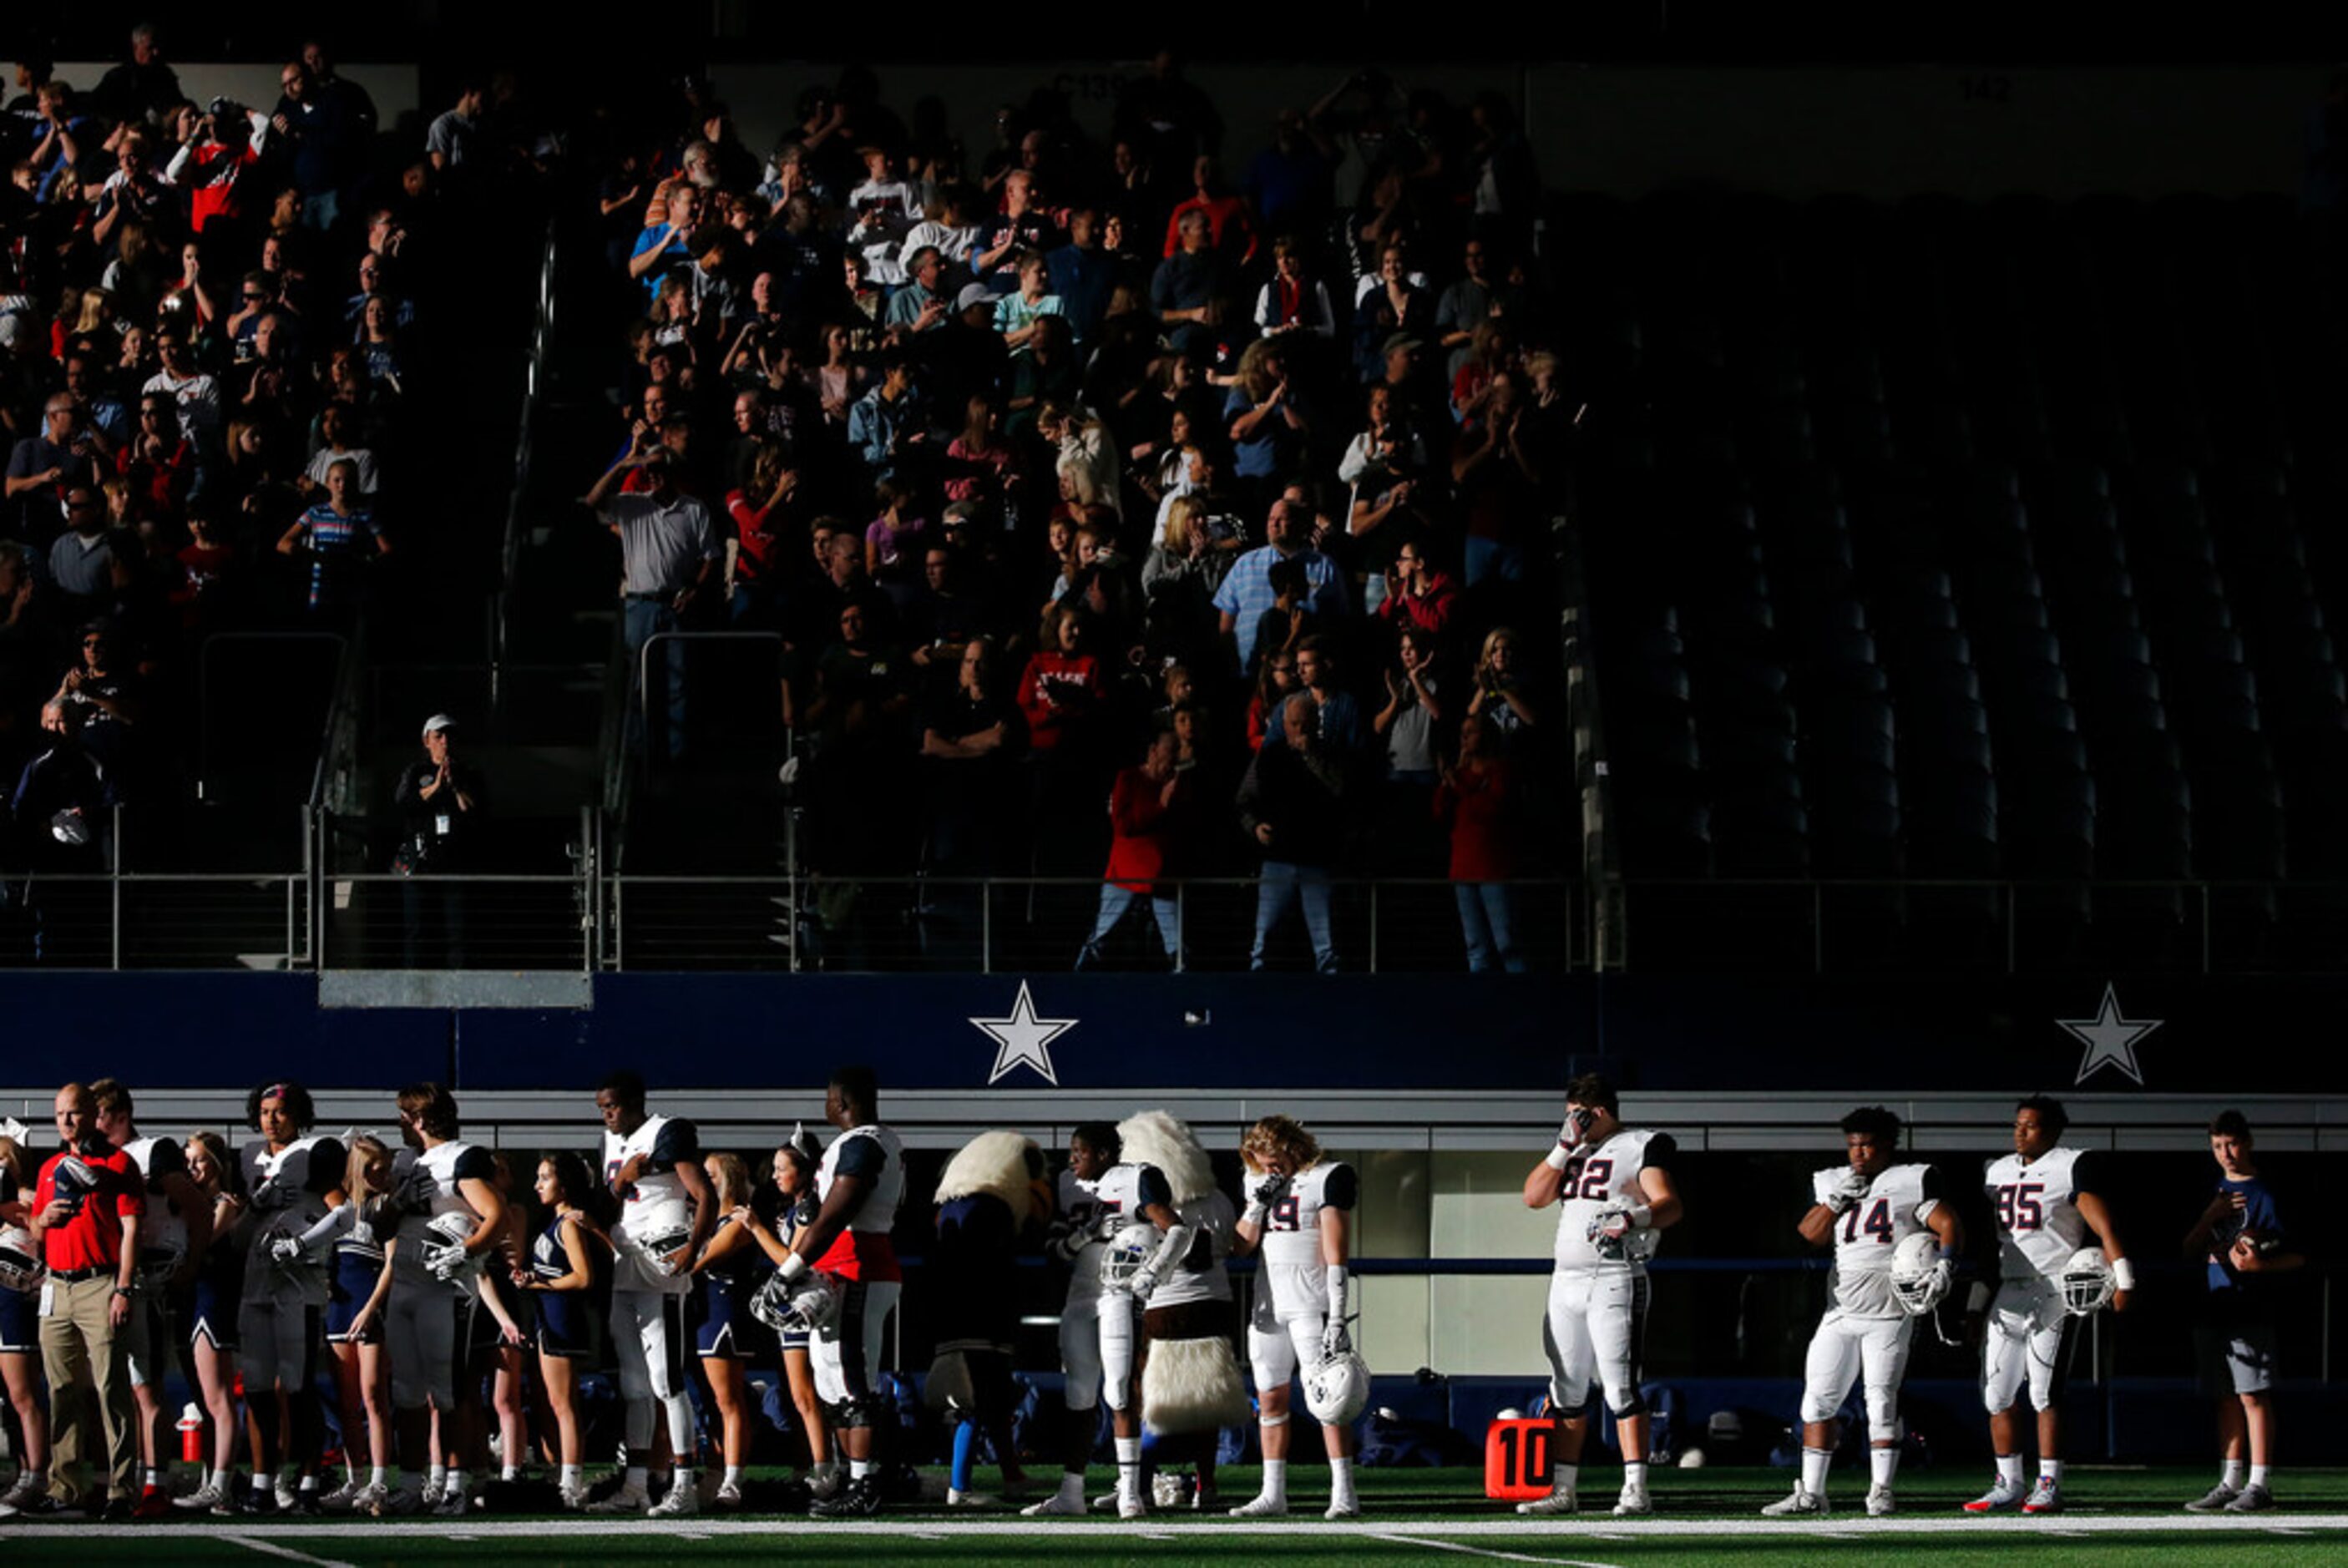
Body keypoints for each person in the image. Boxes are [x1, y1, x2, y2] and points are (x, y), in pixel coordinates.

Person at [1764, 1108, 1961, 1519]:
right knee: (1817, 1401)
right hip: (1841, 1310)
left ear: (1889, 1144)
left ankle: (1881, 1491)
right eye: (1853, 1144)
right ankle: (1812, 1494)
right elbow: (1810, 1235)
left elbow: (1949, 1224)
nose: (1858, 1152)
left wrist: (1945, 1264)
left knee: (1880, 1402)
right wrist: (1837, 1200)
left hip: (1889, 1313)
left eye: (1867, 1143)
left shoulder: (1911, 1179)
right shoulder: (1833, 1180)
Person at [1518, 1072, 1683, 1518]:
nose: (1571, 1123)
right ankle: (1564, 1489)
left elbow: (1669, 1203)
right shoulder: (1573, 1151)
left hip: (1615, 1274)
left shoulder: (1641, 1144)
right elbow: (1532, 1197)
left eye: (1577, 1115)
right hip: (1565, 1280)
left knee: (1619, 1387)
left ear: (1600, 1112)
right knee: (1567, 1388)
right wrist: (1562, 1146)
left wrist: (1635, 1218)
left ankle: (1635, 1488)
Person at [1966, 1095, 2132, 1515]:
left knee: (2043, 1390)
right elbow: (1989, 1247)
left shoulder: (2070, 1164)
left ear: (2054, 1131)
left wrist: (2124, 1277)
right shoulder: (1998, 1170)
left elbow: (2102, 1222)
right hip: (2009, 1289)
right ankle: (2008, 1482)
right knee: (1997, 1393)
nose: (2021, 1131)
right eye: (2018, 1124)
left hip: (2057, 1286)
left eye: (2032, 1125)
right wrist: (1975, 1305)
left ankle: (2049, 1482)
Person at [752, 1067, 906, 1519]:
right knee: (832, 1382)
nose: (824, 1106)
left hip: (860, 1267)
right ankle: (847, 1478)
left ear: (840, 1101)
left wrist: (788, 1271)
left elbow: (839, 1212)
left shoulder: (865, 1143)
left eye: (827, 1098)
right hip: (841, 1270)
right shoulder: (867, 1142)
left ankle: (865, 1483)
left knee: (854, 1381)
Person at [1022, 1120, 1180, 1520]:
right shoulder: (1066, 1185)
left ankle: (1130, 1493)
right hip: (1080, 1297)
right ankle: (1071, 1492)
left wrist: (1153, 1272)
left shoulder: (1138, 1178)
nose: (1073, 1159)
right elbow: (1054, 1252)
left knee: (1119, 1391)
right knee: (1079, 1395)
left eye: (1082, 1151)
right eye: (1072, 1151)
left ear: (1106, 1154)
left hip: (1119, 1294)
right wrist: (1084, 1236)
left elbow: (1178, 1231)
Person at [374, 1083, 504, 1517]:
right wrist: (393, 1200)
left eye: (404, 1116)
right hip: (407, 1280)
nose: (399, 1125)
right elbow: (381, 1231)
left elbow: (496, 1217)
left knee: (449, 1394)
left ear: (422, 1118)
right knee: (406, 1392)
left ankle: (455, 1485)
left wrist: (465, 1251)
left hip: (444, 1287)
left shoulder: (460, 1158)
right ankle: (411, 1485)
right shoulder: (408, 1163)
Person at [593, 1070, 715, 1516]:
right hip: (625, 1264)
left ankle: (684, 1486)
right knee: (634, 1386)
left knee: (667, 1381)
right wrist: (623, 1180)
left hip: (660, 1270)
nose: (607, 1115)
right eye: (602, 1107)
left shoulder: (666, 1131)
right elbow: (609, 1201)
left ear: (635, 1101)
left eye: (613, 1106)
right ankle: (637, 1485)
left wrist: (692, 1250)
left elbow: (706, 1195)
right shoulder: (612, 1143)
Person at [1229, 1115, 1362, 1519]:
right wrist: (1257, 1205)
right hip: (1269, 1306)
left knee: (1330, 1399)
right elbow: (1240, 1247)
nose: (1268, 1169)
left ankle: (1344, 1492)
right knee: (1270, 1396)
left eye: (1273, 1160)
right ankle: (1273, 1494)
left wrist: (1337, 1315)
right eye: (1262, 1162)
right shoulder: (1257, 1182)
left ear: (1291, 1148)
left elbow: (1337, 1252)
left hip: (1312, 1304)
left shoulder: (1326, 1177)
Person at [89, 1079, 210, 1518]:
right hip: (104, 1281)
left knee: (147, 1387)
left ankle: (156, 1483)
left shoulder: (152, 1152)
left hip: (150, 1281)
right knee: (107, 1387)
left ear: (119, 1115)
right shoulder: (90, 1156)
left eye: (96, 1114)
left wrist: (191, 1263)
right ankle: (114, 1481)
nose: (88, 1124)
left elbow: (197, 1208)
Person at [25, 1083, 145, 1520]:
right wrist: (43, 1219)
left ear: (94, 1114)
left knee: (111, 1387)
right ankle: (67, 1486)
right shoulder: (50, 1168)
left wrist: (123, 1287)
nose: (67, 1122)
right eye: (60, 1115)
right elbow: (37, 1230)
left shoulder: (118, 1163)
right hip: (57, 1285)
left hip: (99, 1282)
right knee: (61, 1390)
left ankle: (120, 1488)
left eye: (74, 1113)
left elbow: (132, 1229)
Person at [1119, 1110, 1245, 1514]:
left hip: (1165, 1306)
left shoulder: (1149, 1204)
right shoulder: (1220, 1200)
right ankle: (1205, 1485)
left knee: (1152, 1397)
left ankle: (1137, 1485)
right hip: (1215, 1301)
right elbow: (1227, 1246)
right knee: (1208, 1397)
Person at [2181, 1110, 2301, 1514]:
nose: (2226, 1153)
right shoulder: (2211, 1190)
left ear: (2247, 1142)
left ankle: (2259, 1483)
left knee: (2253, 1395)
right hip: (2215, 1305)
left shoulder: (2266, 1194)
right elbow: (2188, 1248)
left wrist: (2262, 1265)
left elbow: (2299, 1256)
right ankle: (2230, 1480)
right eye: (2217, 1146)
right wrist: (2210, 1217)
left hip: (2251, 1307)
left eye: (2232, 1144)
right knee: (2225, 1396)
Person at [236, 1081, 345, 1515]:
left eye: (280, 1111)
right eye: (264, 1111)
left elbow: (346, 1214)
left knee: (296, 1386)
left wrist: (304, 1243)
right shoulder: (249, 1157)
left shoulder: (315, 1152)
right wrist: (254, 1206)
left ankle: (309, 1483)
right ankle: (263, 1485)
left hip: (298, 1286)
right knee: (259, 1388)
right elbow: (240, 1236)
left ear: (298, 1114)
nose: (271, 1119)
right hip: (256, 1281)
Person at [588, 437, 722, 762]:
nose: (653, 476)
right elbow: (593, 501)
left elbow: (711, 556)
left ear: (672, 470)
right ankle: (638, 754)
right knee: (638, 683)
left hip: (675, 603)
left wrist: (695, 589)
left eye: (659, 469)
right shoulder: (633, 505)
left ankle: (678, 756)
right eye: (649, 471)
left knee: (679, 683)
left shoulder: (693, 509)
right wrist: (623, 464)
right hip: (640, 604)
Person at [929, 1131, 1045, 1508]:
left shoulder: (950, 1207)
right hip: (981, 1312)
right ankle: (959, 1487)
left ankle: (1011, 1475)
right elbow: (996, 1265)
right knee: (976, 1399)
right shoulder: (989, 1208)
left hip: (959, 1311)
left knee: (993, 1399)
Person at [733, 1133, 836, 1497]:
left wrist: (757, 1228)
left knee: (806, 1394)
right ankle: (807, 1465)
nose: (775, 1175)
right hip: (793, 1304)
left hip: (805, 1303)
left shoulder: (810, 1207)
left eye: (782, 1168)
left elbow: (790, 1261)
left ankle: (824, 1469)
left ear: (805, 1171)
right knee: (799, 1394)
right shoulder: (797, 1209)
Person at [516, 1151, 611, 1510]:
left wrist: (540, 1285)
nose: (538, 1184)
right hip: (548, 1318)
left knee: (564, 1403)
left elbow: (584, 1276)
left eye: (545, 1177)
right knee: (550, 1401)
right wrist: (529, 1279)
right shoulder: (550, 1221)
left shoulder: (569, 1224)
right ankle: (560, 1471)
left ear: (565, 1183)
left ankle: (571, 1480)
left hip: (563, 1318)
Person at [1238, 694, 1349, 973]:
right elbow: (1243, 798)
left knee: (1325, 940)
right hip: (1278, 857)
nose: (1298, 730)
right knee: (1263, 935)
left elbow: (1340, 790)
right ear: (1284, 723)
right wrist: (1255, 826)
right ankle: (1257, 978)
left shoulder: (1330, 753)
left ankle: (1331, 986)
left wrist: (1310, 756)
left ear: (1315, 723)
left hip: (1317, 857)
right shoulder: (1270, 755)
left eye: (1303, 723)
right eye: (1292, 723)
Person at [316, 1136, 397, 1513]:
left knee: (373, 1395)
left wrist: (371, 1308)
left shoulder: (387, 1208)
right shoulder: (340, 1208)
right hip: (339, 1309)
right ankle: (355, 1480)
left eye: (385, 1165)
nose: (383, 1173)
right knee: (345, 1402)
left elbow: (391, 1264)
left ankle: (379, 1482)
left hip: (370, 1308)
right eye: (375, 1166)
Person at [686, 1153, 765, 1509]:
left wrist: (683, 1258)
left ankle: (733, 1480)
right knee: (713, 1403)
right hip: (706, 1315)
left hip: (726, 1314)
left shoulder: (737, 1221)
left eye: (710, 1175)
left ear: (727, 1179)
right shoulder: (709, 1220)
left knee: (729, 1401)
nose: (703, 1180)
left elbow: (700, 1263)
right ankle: (716, 1472)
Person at [173, 1131, 245, 1515]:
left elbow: (200, 1244)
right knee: (203, 1397)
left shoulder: (224, 1203)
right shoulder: (189, 1203)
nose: (192, 1167)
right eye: (188, 1161)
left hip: (212, 1300)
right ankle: (212, 1479)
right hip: (188, 1300)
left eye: (200, 1160)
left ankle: (222, 1484)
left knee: (218, 1397)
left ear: (216, 1163)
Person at [1076, 731, 1188, 971]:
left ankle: (1185, 989)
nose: (1174, 758)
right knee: (1102, 935)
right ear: (1153, 751)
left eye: (1178, 751)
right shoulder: (1128, 778)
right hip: (1125, 874)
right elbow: (1122, 825)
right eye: (1171, 751)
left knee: (1176, 944)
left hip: (1164, 877)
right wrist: (1159, 806)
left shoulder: (1178, 785)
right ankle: (1078, 981)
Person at [392, 715, 483, 969]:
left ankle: (458, 989)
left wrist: (454, 787)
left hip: (455, 862)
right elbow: (404, 803)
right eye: (438, 737)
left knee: (458, 932)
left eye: (449, 737)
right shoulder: (415, 772)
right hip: (420, 862)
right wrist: (435, 786)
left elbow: (476, 810)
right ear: (427, 741)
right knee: (416, 930)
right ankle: (414, 988)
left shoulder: (469, 773)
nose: (445, 742)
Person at [0, 1133, 54, 1517]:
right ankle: (21, 1473)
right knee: (7, 1400)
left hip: (17, 1302)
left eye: (4, 1157)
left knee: (23, 1396)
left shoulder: (29, 1200)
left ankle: (36, 1476)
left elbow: (41, 1236)